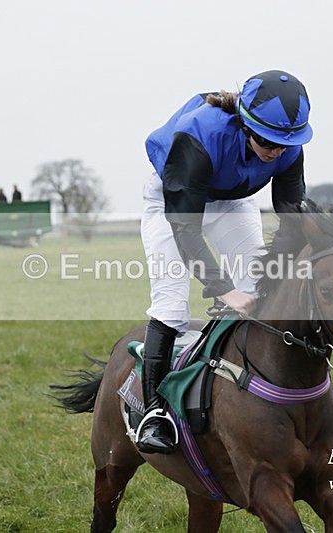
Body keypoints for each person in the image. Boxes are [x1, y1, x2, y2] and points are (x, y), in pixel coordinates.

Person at [136, 70, 314, 454]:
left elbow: (292, 214)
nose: (276, 151)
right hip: (175, 202)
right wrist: (222, 289)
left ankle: (249, 392)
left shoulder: (287, 145)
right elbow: (185, 229)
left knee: (257, 289)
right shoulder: (199, 135)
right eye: (267, 141)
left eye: (285, 143)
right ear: (246, 124)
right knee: (171, 304)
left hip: (232, 201)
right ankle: (154, 413)